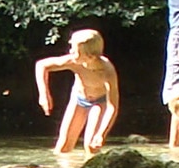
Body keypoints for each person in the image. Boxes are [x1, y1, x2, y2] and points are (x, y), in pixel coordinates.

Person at [32, 29, 121, 158]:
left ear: (90, 57)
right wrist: (44, 94)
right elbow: (41, 65)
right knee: (63, 146)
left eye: (74, 51)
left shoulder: (107, 71)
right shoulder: (74, 62)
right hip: (79, 99)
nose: (70, 52)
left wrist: (101, 133)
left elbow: (112, 107)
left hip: (99, 102)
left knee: (91, 146)